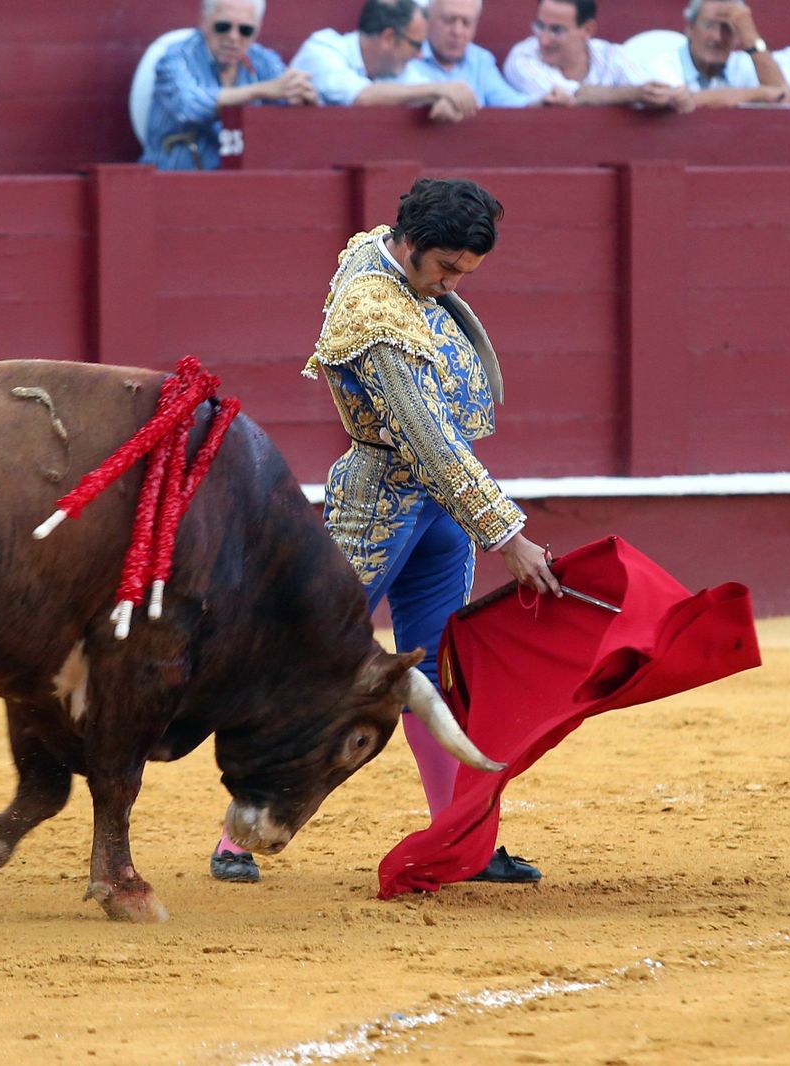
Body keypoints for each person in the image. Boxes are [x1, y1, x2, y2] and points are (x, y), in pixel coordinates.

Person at [209, 178, 560, 886]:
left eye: (465, 272)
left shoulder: (388, 252)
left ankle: (459, 840)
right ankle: (237, 836)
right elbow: (426, 438)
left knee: (439, 669)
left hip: (438, 511)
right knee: (313, 665)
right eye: (446, 268)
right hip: (380, 504)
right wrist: (507, 535)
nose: (451, 285)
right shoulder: (373, 310)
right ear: (412, 243)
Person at [141, 0, 317, 170]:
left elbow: (287, 96)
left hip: (244, 181)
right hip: (173, 180)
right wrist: (259, 91)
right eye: (223, 26)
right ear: (203, 20)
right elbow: (189, 106)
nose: (233, 37)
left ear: (257, 30)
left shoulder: (263, 60)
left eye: (245, 30)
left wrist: (304, 99)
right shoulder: (177, 56)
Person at [289, 0, 481, 124]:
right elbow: (361, 96)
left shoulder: (395, 68)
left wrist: (444, 100)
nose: (420, 55)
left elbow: (422, 88)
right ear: (389, 38)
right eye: (416, 45)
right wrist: (438, 91)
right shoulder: (323, 49)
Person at [503, 0, 694, 111]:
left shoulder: (611, 55)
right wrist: (634, 94)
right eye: (540, 27)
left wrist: (669, 96)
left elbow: (645, 88)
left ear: (587, 30)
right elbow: (570, 97)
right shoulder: (523, 57)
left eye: (557, 30)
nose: (543, 40)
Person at [624, 0, 790, 107]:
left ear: (738, 36)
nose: (717, 37)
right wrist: (758, 94)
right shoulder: (661, 64)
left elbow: (785, 98)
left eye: (727, 28)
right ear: (690, 29)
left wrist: (752, 38)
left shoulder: (743, 64)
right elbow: (678, 102)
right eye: (709, 26)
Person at [406, 0, 564, 108]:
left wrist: (543, 101)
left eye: (467, 23)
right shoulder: (406, 53)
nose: (457, 31)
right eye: (448, 20)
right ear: (428, 19)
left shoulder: (480, 60)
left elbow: (510, 102)